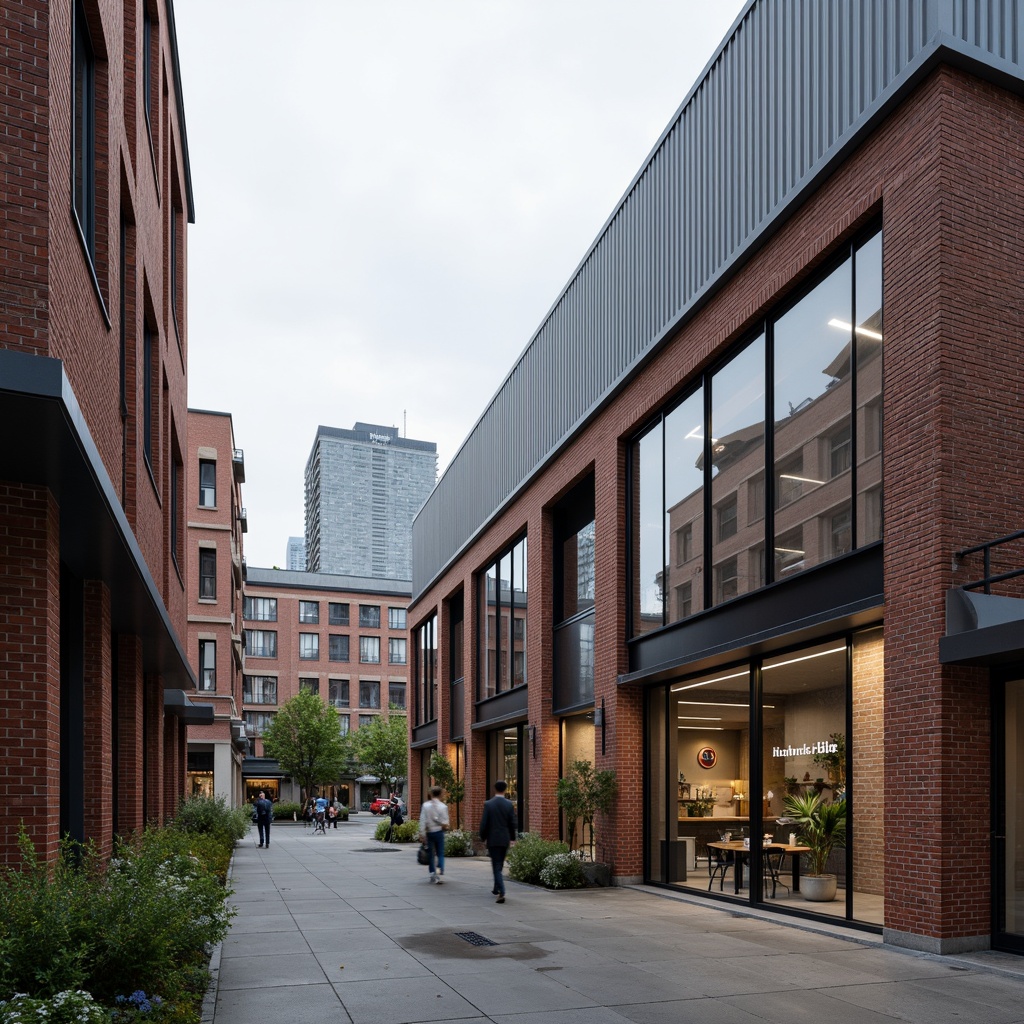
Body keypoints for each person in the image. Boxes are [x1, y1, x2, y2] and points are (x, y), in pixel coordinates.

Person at [479, 780, 517, 903]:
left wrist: (483, 837)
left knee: (496, 865)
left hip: (493, 839)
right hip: (504, 839)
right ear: (505, 790)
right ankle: (496, 888)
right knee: (499, 864)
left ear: (494, 789)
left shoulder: (489, 804)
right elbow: (512, 823)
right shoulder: (509, 804)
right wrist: (512, 838)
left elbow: (484, 823)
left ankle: (501, 891)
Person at [417, 785, 449, 883]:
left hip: (429, 832)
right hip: (439, 832)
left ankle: (432, 873)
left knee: (431, 854)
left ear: (431, 794)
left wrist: (422, 834)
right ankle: (439, 871)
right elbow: (446, 823)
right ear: (440, 794)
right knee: (440, 853)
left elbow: (422, 820)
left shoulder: (426, 806)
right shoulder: (443, 807)